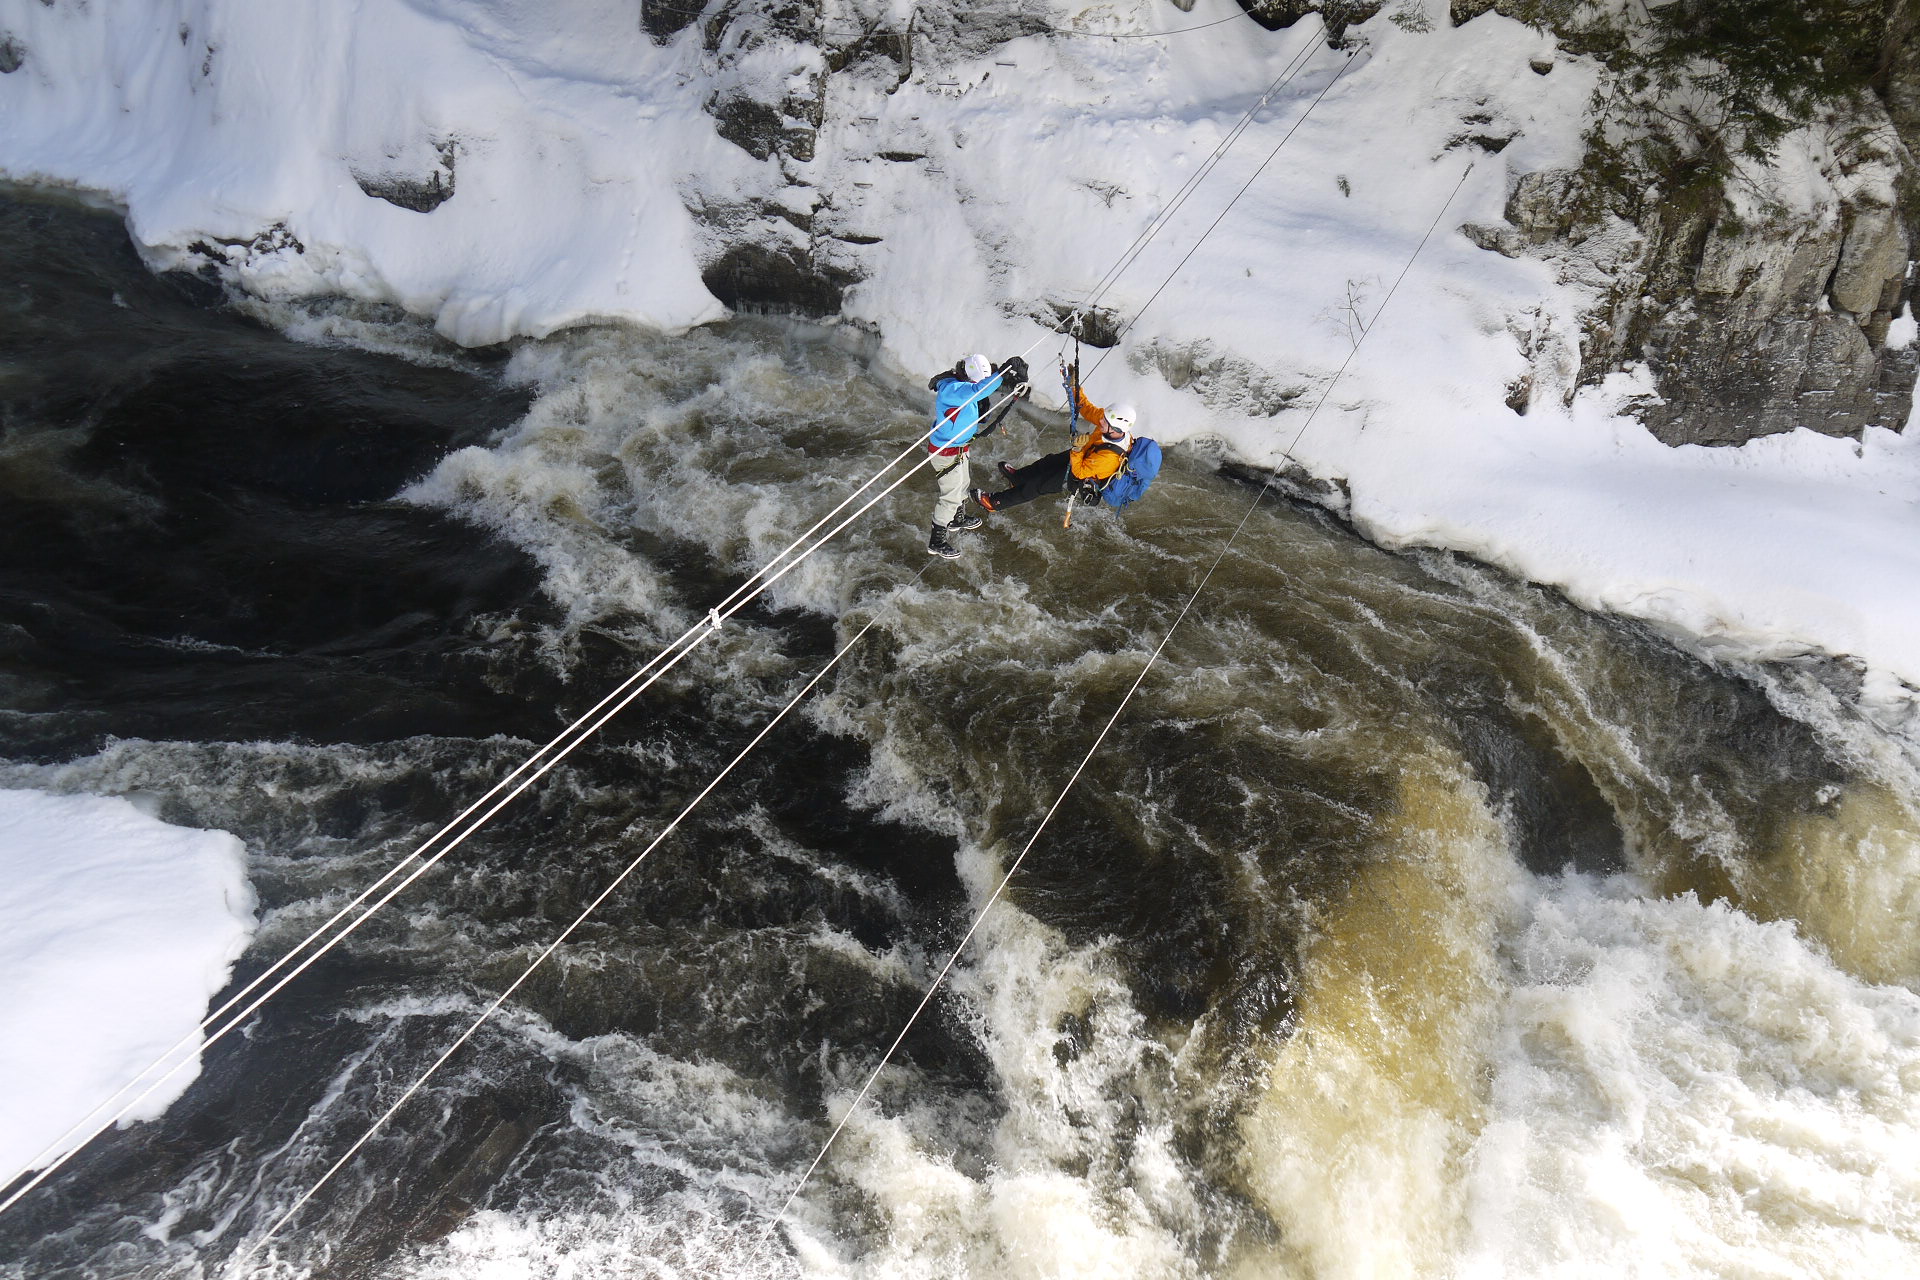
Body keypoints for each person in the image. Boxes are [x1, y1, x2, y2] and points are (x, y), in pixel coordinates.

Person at [973, 371, 1138, 515]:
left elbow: (1080, 472)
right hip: (1082, 453)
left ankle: (995, 503)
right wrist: (1074, 388)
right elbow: (1086, 408)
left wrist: (1078, 449)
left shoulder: (1109, 458)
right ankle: (1018, 477)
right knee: (1048, 462)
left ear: (1115, 429)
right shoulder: (1108, 423)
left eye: (1104, 421)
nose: (1100, 420)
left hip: (1080, 474)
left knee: (1037, 485)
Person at [925, 352, 1029, 558]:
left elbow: (975, 395)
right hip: (946, 452)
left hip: (959, 447)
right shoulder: (953, 389)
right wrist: (1001, 373)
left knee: (963, 483)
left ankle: (957, 519)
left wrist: (1005, 378)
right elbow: (977, 390)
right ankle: (936, 541)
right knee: (951, 497)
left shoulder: (962, 386)